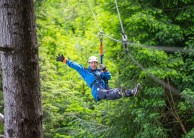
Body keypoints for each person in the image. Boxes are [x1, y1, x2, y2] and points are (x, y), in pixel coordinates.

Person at [56, 54, 141, 102]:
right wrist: (65, 60)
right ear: (89, 63)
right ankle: (119, 92)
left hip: (105, 88)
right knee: (109, 93)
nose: (93, 64)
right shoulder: (86, 72)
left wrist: (104, 70)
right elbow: (76, 66)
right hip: (97, 91)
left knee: (113, 91)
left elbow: (108, 77)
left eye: (95, 63)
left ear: (97, 64)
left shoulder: (100, 71)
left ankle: (132, 92)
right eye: (92, 63)